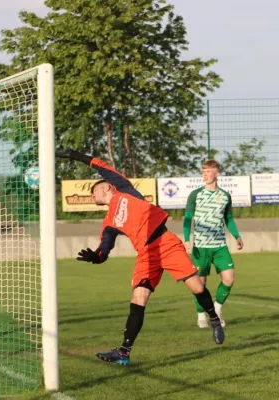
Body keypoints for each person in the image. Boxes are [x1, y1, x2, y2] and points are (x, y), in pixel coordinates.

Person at [56, 148, 224, 366]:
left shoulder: (124, 189)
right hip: (146, 254)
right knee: (138, 300)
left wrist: (73, 155)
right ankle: (124, 352)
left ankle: (214, 319)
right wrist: (94, 257)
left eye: (93, 191)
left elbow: (100, 165)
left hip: (165, 243)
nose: (91, 195)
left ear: (106, 187)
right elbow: (104, 250)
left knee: (197, 288)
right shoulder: (108, 223)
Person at [183, 160, 243, 328]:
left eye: (208, 171)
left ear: (217, 173)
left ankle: (216, 310)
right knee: (200, 285)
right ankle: (201, 316)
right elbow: (188, 219)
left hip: (220, 247)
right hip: (200, 247)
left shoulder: (225, 196)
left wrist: (237, 236)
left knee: (229, 279)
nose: (205, 174)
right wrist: (187, 239)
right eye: (203, 171)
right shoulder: (195, 195)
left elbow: (228, 219)